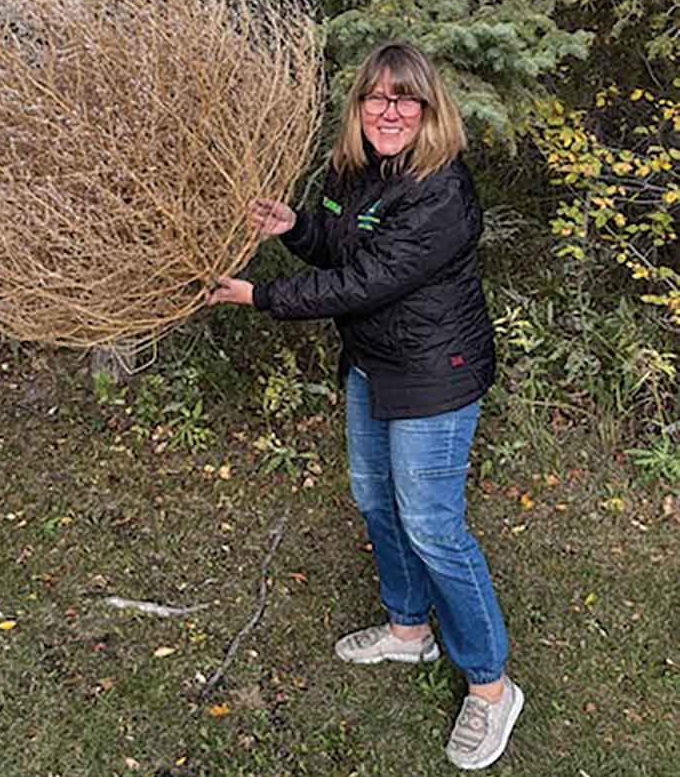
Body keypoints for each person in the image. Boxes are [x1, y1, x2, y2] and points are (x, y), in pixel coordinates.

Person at [207, 41, 523, 770]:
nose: (390, 110)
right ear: (358, 108)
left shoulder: (441, 189)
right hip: (374, 365)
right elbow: (341, 250)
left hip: (433, 374)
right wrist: (296, 228)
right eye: (376, 97)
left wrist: (262, 297)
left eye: (405, 98)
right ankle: (409, 630)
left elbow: (366, 282)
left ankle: (490, 685)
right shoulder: (353, 172)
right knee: (377, 502)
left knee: (435, 527)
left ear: (429, 109)